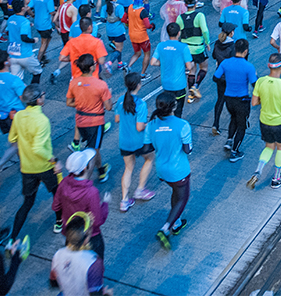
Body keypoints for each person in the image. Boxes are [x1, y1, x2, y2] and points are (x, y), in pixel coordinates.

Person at [8, 85, 62, 241]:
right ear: (39, 100)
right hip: (45, 166)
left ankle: (12, 238)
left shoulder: (18, 116)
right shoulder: (42, 120)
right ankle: (59, 222)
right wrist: (54, 160)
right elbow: (38, 148)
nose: (44, 96)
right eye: (43, 94)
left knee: (27, 203)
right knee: (57, 195)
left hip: (27, 168)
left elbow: (12, 138)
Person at [145, 92, 191, 251]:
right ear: (174, 106)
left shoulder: (151, 125)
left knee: (175, 193)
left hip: (161, 170)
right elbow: (188, 150)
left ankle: (176, 223)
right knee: (182, 198)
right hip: (179, 171)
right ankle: (165, 228)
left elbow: (147, 147)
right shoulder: (183, 125)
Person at [246, 53, 281, 190]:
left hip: (264, 121)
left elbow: (254, 102)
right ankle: (276, 179)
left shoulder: (260, 81)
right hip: (280, 123)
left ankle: (258, 171)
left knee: (269, 147)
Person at [52, 149, 110, 260]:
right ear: (85, 168)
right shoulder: (91, 192)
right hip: (90, 236)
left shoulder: (63, 183)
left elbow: (55, 206)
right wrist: (105, 204)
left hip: (70, 234)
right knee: (95, 263)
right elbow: (97, 221)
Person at [66, 54, 113, 184]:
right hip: (95, 123)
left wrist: (82, 103)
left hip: (80, 121)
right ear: (92, 67)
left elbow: (69, 102)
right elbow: (109, 107)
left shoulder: (74, 82)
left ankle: (101, 170)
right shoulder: (100, 84)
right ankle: (84, 183)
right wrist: (109, 95)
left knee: (93, 148)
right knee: (93, 151)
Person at [114, 73, 155, 213]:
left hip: (124, 141)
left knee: (128, 168)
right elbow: (139, 127)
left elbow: (117, 119)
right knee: (150, 159)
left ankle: (124, 201)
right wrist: (149, 124)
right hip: (139, 141)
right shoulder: (141, 104)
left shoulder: (120, 100)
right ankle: (140, 189)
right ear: (138, 85)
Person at [213, 38, 258, 162]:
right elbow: (255, 84)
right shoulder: (249, 66)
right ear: (246, 51)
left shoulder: (225, 63)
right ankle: (234, 152)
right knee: (242, 126)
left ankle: (229, 140)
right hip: (242, 100)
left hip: (228, 98)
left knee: (233, 118)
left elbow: (215, 77)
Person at [51, 214, 111, 296]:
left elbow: (53, 282)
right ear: (86, 239)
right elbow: (96, 294)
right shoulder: (93, 262)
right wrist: (108, 294)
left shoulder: (58, 254)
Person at [150, 23, 194, 119]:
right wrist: (192, 64)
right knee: (178, 111)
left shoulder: (161, 45)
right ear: (179, 33)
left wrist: (163, 62)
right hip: (179, 85)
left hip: (166, 84)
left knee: (167, 109)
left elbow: (153, 62)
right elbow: (189, 67)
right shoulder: (183, 47)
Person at [176, 0, 211, 102]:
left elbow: (177, 33)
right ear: (195, 4)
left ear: (185, 5)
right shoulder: (199, 15)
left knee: (191, 70)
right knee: (204, 67)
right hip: (198, 48)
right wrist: (207, 42)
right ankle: (195, 86)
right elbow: (205, 30)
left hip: (186, 49)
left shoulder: (180, 17)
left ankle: (190, 96)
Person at [7, 0, 43, 84]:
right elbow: (24, 38)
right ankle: (33, 91)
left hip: (13, 55)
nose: (27, 6)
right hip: (25, 55)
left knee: (16, 79)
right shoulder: (24, 21)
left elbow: (9, 31)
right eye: (26, 5)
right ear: (23, 9)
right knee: (37, 72)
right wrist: (34, 40)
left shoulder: (10, 19)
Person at [121, 0, 154, 79]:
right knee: (147, 54)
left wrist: (130, 22)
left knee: (137, 53)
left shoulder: (129, 7)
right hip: (142, 37)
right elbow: (147, 25)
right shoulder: (143, 11)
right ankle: (142, 74)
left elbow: (123, 19)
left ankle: (128, 66)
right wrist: (152, 26)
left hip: (132, 35)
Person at [210, 23, 236, 136]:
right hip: (230, 77)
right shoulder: (232, 46)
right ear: (231, 33)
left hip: (219, 75)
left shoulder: (217, 43)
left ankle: (215, 123)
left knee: (220, 99)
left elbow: (213, 56)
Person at [30, 0, 56, 65]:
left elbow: (28, 8)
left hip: (37, 23)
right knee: (44, 43)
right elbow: (52, 12)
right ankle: (38, 61)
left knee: (47, 38)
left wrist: (32, 15)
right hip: (45, 24)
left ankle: (43, 56)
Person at [102, 0, 126, 71]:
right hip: (118, 31)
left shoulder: (104, 7)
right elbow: (123, 19)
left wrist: (109, 19)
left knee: (117, 48)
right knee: (119, 49)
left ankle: (120, 63)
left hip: (109, 31)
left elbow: (102, 19)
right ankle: (109, 63)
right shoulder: (119, 7)